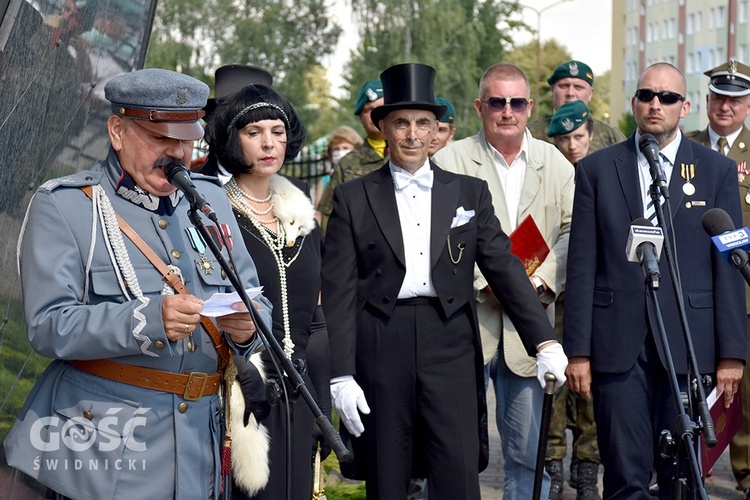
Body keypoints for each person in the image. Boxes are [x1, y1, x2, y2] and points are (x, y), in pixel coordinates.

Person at [2, 68, 272, 499]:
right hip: (104, 453)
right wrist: (146, 320)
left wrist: (248, 329)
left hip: (198, 447)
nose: (178, 154)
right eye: (162, 139)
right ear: (117, 131)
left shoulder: (211, 199)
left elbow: (257, 303)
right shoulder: (66, 205)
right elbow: (47, 325)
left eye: (187, 140)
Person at [321, 62, 568, 499]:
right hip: (381, 339)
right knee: (387, 471)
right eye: (401, 123)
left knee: (456, 470)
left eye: (423, 124)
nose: (412, 135)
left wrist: (544, 341)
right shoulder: (353, 197)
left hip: (449, 337)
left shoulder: (467, 192)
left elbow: (505, 268)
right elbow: (339, 293)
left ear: (437, 130)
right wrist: (341, 373)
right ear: (385, 127)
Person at [564, 62, 747, 499]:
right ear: (634, 104)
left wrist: (732, 354)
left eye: (667, 98)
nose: (655, 105)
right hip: (618, 347)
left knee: (681, 479)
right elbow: (582, 265)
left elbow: (727, 267)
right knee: (625, 477)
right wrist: (579, 352)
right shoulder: (596, 169)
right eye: (647, 95)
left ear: (685, 107)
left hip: (689, 343)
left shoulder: (717, 170)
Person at [432, 62, 574, 500]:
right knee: (452, 452)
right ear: (480, 107)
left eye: (516, 102)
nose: (507, 111)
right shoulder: (449, 160)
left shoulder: (556, 162)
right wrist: (484, 281)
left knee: (528, 457)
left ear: (530, 107)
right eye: (497, 102)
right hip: (463, 324)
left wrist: (541, 284)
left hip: (528, 329)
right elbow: (430, 234)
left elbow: (573, 231)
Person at [206, 83, 331, 499]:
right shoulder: (214, 215)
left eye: (277, 131)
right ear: (231, 139)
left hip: (298, 390)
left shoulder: (302, 217)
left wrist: (322, 399)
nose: (268, 143)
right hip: (240, 390)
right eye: (254, 131)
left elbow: (315, 316)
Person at [685, 59, 750, 498]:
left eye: (736, 99)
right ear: (706, 101)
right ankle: (693, 467)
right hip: (695, 291)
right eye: (719, 97)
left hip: (746, 292)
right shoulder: (683, 147)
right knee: (696, 386)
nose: (725, 106)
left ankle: (747, 474)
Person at [544, 99, 600, 500]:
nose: (572, 145)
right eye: (563, 139)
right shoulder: (549, 176)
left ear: (590, 135)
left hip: (593, 299)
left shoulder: (603, 173)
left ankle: (587, 478)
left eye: (578, 136)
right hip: (550, 298)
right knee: (553, 390)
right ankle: (552, 475)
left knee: (590, 394)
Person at [316, 79, 385, 233]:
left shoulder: (407, 154)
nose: (376, 114)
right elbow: (327, 213)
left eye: (381, 108)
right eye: (369, 109)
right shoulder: (347, 163)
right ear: (360, 116)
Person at [192, 63, 274, 175]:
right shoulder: (186, 187)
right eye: (253, 132)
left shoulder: (293, 190)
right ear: (213, 131)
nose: (267, 143)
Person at [528, 60, 625, 153]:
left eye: (578, 87)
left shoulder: (610, 136)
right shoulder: (530, 135)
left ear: (590, 94)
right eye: (564, 86)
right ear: (552, 90)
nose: (570, 93)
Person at [314, 125, 363, 220]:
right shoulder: (325, 180)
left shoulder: (364, 175)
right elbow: (318, 214)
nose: (341, 152)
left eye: (345, 147)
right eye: (336, 149)